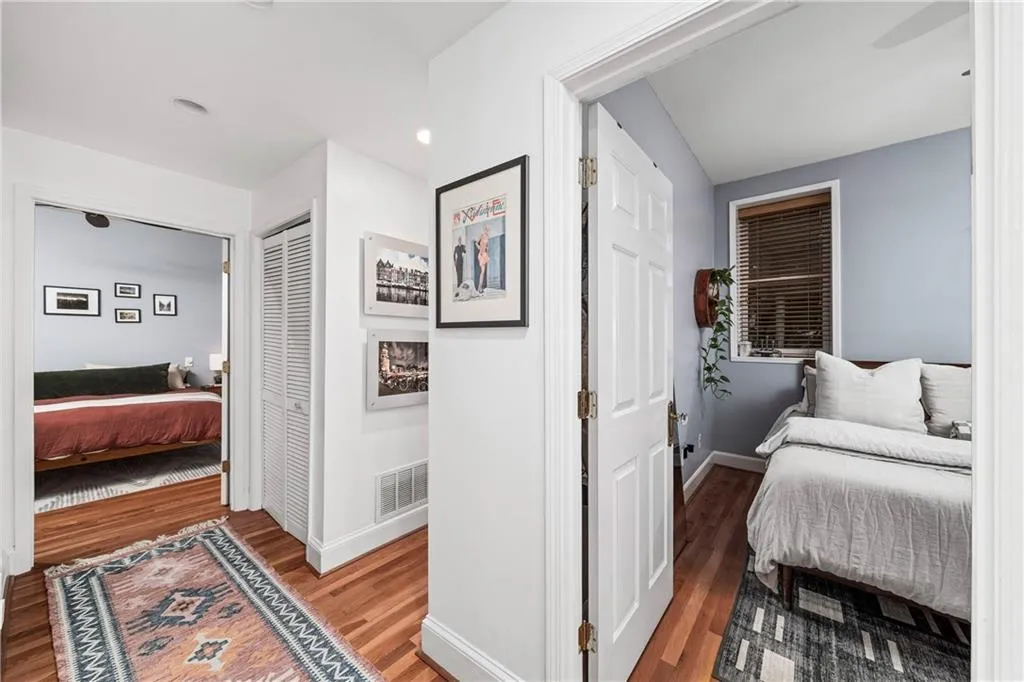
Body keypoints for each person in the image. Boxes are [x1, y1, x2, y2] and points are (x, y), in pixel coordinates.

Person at [476, 226, 490, 293]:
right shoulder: (482, 235)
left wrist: (486, 248)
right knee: (482, 272)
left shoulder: (487, 236)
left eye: (487, 230)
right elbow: (476, 243)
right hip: (481, 254)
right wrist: (479, 248)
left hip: (485, 254)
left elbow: (486, 245)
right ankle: (479, 288)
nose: (486, 231)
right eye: (485, 229)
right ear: (484, 230)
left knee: (483, 272)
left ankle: (480, 288)